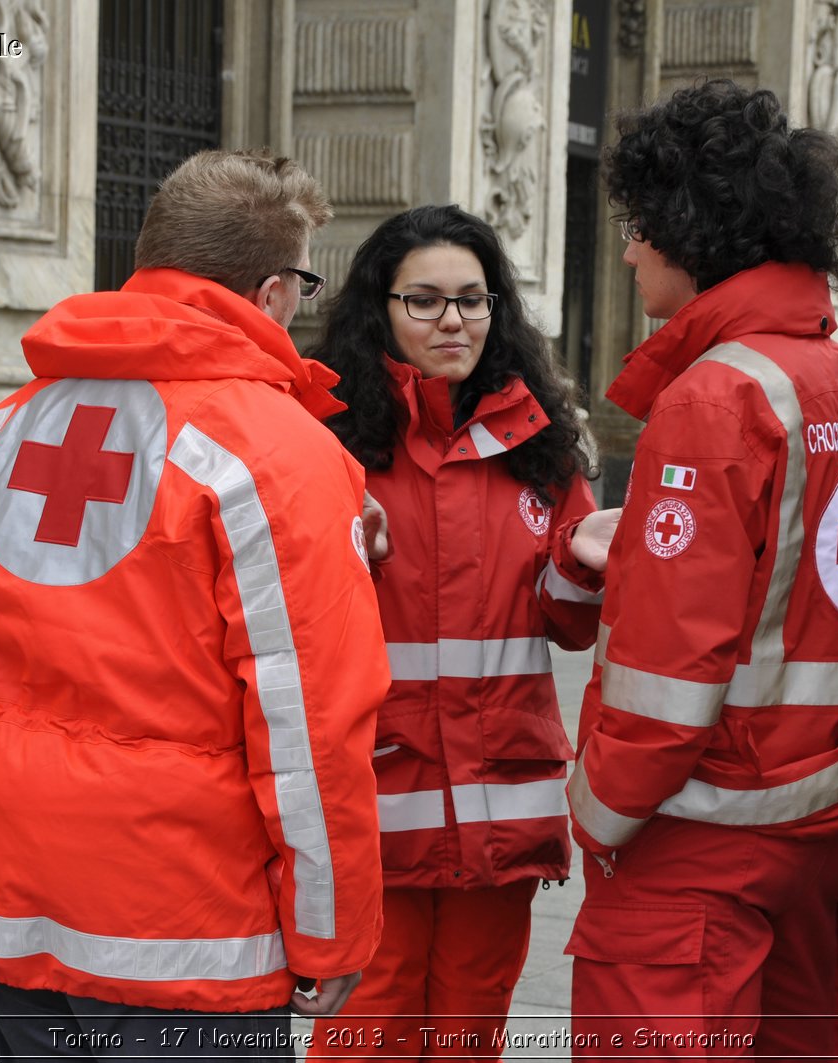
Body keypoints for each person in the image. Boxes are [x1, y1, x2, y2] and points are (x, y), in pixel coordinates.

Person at [0, 148, 391, 1060]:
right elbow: (312, 727)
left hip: (11, 888)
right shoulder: (276, 453)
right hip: (184, 919)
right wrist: (333, 928)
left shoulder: (1, 429)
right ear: (271, 290)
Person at [564, 80, 838, 1059]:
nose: (628, 246)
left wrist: (601, 813)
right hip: (822, 824)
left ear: (689, 229)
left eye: (639, 222)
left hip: (696, 840)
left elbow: (671, 661)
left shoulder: (717, 397)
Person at [304, 204, 618, 1059]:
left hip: (499, 812)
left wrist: (584, 565)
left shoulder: (541, 445)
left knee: (469, 1038)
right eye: (426, 300)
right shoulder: (326, 441)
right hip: (376, 803)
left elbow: (566, 625)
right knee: (367, 1038)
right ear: (382, 307)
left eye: (474, 300)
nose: (454, 320)